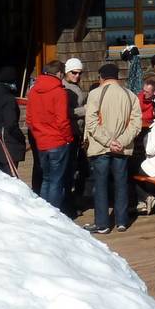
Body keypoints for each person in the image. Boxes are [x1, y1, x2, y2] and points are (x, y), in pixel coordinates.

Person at [84, 63, 142, 234]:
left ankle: (102, 224)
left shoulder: (95, 94)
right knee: (121, 183)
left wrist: (109, 141)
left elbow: (91, 123)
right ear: (117, 77)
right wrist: (121, 141)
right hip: (122, 148)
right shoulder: (130, 95)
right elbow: (136, 124)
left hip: (101, 146)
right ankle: (122, 221)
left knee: (101, 185)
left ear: (101, 77)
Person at [26, 60, 75, 209]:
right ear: (59, 73)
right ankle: (55, 214)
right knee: (56, 181)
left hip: (41, 141)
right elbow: (62, 121)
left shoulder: (33, 90)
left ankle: (45, 212)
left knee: (46, 179)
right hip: (57, 141)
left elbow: (29, 119)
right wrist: (69, 138)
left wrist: (38, 135)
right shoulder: (59, 92)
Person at [0, 66, 26, 176]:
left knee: (1, 178)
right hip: (8, 143)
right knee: (11, 179)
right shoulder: (8, 99)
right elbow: (11, 124)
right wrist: (21, 138)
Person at [63, 58, 88, 215]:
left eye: (79, 73)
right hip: (70, 133)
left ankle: (74, 201)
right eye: (74, 72)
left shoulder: (75, 86)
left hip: (77, 133)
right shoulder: (65, 88)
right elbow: (67, 111)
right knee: (69, 170)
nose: (77, 76)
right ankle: (68, 205)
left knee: (78, 169)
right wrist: (86, 109)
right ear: (67, 72)